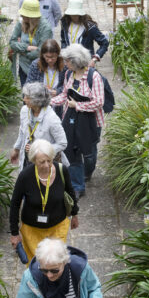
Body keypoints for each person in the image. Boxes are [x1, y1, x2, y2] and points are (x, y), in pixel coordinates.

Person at [51, 45, 104, 196]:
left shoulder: (93, 77)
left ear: (75, 61)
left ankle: (88, 172)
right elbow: (65, 96)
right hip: (71, 120)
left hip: (90, 122)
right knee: (72, 150)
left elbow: (99, 102)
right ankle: (78, 185)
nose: (65, 63)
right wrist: (50, 101)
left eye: (67, 61)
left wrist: (78, 105)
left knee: (89, 152)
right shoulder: (69, 74)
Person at [12, 83, 68, 169]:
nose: (24, 99)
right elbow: (22, 132)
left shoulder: (52, 119)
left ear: (36, 101)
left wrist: (39, 150)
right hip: (28, 161)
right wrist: (16, 149)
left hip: (45, 164)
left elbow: (62, 143)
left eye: (27, 97)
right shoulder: (24, 110)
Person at [10, 0, 53, 84]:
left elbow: (42, 51)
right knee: (25, 94)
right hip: (22, 66)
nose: (21, 15)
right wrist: (27, 47)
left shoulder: (45, 28)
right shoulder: (21, 23)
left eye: (24, 14)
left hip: (38, 68)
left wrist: (22, 52)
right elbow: (12, 42)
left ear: (31, 16)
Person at [60, 0, 109, 67]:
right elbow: (64, 41)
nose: (74, 16)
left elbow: (104, 43)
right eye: (72, 14)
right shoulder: (65, 23)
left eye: (76, 14)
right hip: (69, 64)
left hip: (85, 64)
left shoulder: (90, 27)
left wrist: (95, 59)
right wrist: (63, 54)